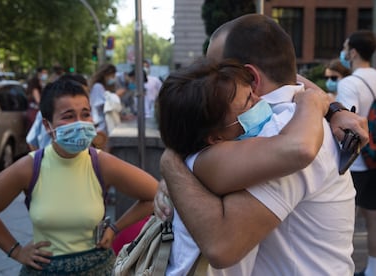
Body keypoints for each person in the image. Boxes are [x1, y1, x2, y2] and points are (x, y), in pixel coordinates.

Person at [155, 14, 369, 275]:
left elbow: (223, 245)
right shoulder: (292, 120)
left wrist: (172, 162)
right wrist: (327, 104)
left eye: (220, 71)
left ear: (249, 76)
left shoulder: (284, 128)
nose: (210, 78)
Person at [157, 57, 331, 275]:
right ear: (214, 137)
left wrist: (337, 110)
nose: (260, 101)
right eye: (249, 101)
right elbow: (300, 148)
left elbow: (285, 82)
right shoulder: (210, 161)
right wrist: (312, 102)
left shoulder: (200, 152)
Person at [0, 79, 158, 275]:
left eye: (85, 114)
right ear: (47, 125)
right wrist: (16, 251)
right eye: (68, 116)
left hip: (98, 268)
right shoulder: (29, 167)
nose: (80, 123)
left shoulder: (101, 163)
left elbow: (154, 194)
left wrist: (115, 228)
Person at [336, 30, 376, 276]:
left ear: (352, 52)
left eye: (345, 47)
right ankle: (372, 270)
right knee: (373, 218)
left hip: (357, 162)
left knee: (342, 223)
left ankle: (342, 270)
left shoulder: (349, 83)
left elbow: (345, 126)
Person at [26, 73, 89, 151]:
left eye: (86, 115)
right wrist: (40, 159)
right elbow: (31, 141)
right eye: (69, 117)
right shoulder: (44, 113)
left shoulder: (98, 159)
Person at [89, 63, 119, 136]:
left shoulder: (103, 87)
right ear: (105, 75)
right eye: (112, 76)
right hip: (100, 124)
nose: (113, 78)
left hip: (104, 124)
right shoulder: (98, 87)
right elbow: (100, 104)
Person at [25, 67, 48, 131]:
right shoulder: (35, 87)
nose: (45, 75)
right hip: (34, 113)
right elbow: (38, 101)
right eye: (44, 73)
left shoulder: (42, 84)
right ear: (39, 74)